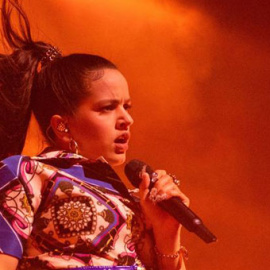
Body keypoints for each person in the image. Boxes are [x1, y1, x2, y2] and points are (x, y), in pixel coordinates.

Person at [0, 0, 189, 269]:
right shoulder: (27, 173)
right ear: (62, 125)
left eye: (127, 106)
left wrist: (167, 231)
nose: (126, 119)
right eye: (107, 108)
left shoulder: (135, 202)